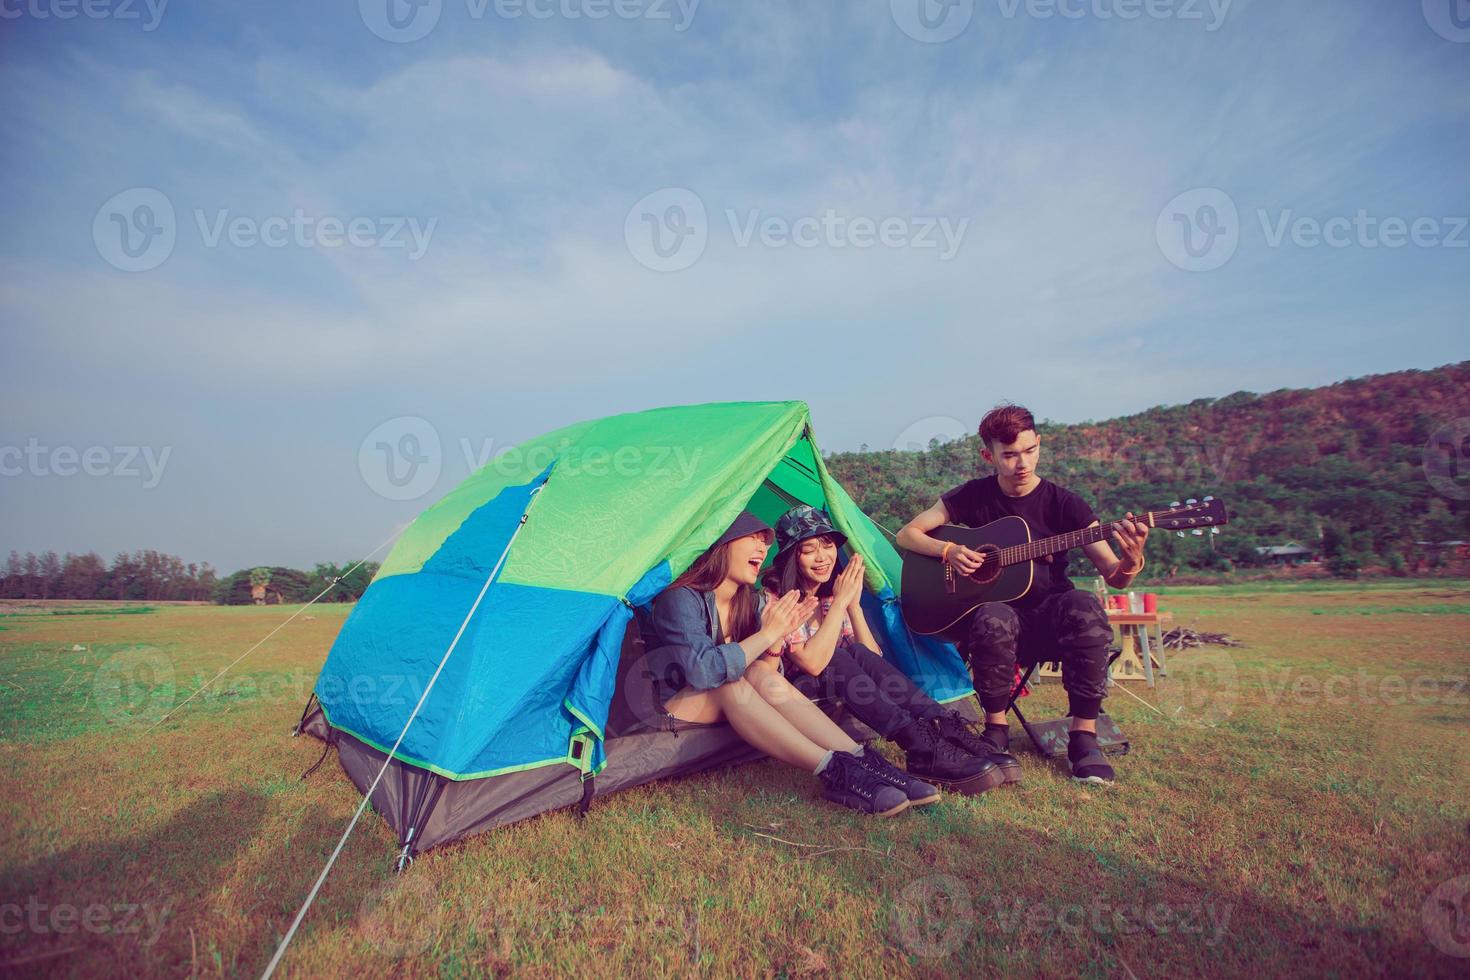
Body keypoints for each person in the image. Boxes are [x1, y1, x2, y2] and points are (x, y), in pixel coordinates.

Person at [896, 404, 1150, 784]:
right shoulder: (972, 496)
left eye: (1029, 451)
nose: (1022, 463)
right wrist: (948, 551)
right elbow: (907, 534)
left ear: (1039, 445)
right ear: (989, 455)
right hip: (993, 624)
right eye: (1010, 455)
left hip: (1052, 619)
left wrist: (1132, 560)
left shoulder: (1066, 504)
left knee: (1084, 604)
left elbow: (1115, 576)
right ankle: (996, 731)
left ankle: (1084, 736)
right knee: (993, 615)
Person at [644, 510, 922, 817]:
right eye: (753, 538)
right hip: (672, 707)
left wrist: (774, 646)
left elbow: (767, 675)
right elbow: (703, 672)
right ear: (721, 543)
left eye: (765, 542)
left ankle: (861, 760)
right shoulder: (680, 599)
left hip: (725, 700)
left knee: (760, 671)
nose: (763, 548)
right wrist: (767, 635)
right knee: (731, 685)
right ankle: (834, 771)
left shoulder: (749, 602)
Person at [761, 505, 1012, 796]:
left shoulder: (831, 597)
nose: (823, 557)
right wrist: (842, 603)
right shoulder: (778, 598)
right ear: (793, 557)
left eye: (828, 546)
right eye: (809, 549)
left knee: (853, 653)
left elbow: (871, 658)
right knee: (838, 656)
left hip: (840, 684)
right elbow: (813, 664)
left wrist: (853, 606)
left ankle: (945, 729)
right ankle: (919, 746)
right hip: (791, 695)